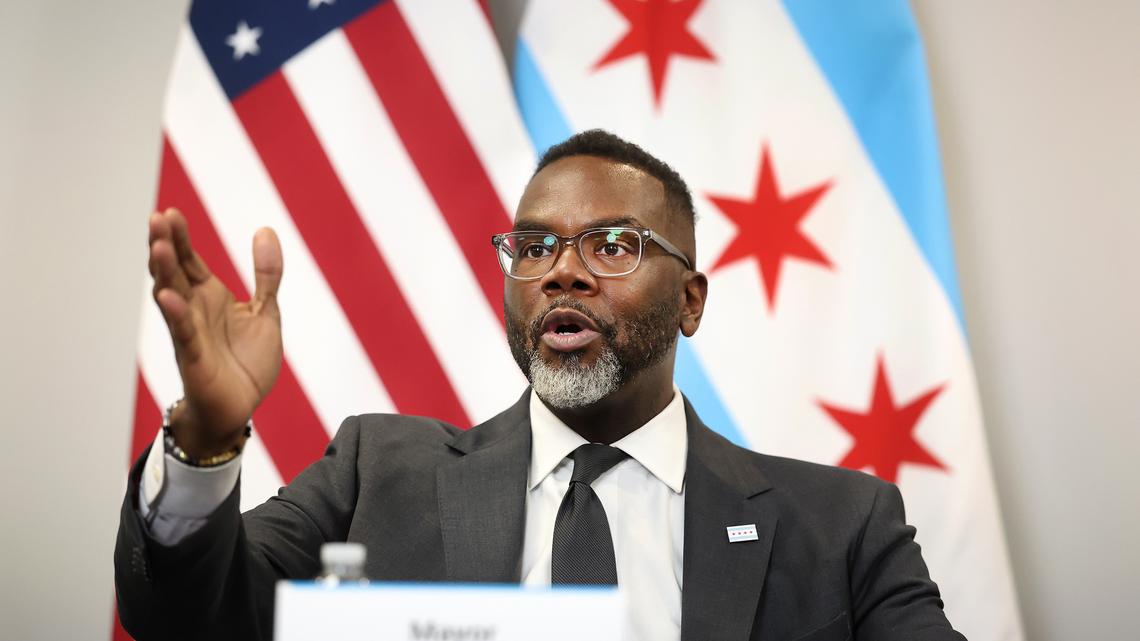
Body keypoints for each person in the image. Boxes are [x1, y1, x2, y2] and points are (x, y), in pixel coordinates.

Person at [115, 130, 965, 641]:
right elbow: (191, 620)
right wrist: (203, 441)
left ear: (692, 300)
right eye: (532, 248)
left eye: (612, 246)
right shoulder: (378, 470)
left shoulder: (842, 525)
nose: (562, 273)